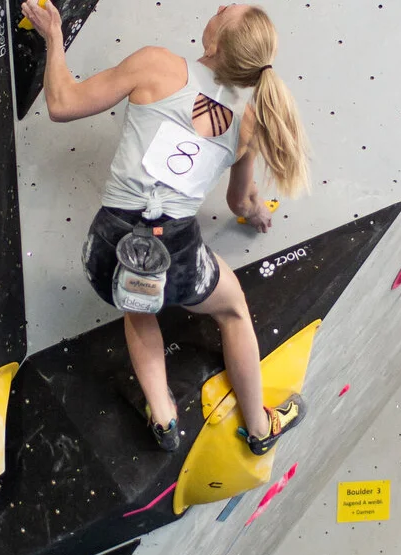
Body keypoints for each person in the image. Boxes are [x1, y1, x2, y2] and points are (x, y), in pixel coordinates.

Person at [22, 1, 310, 455]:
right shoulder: (248, 122)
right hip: (176, 257)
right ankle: (260, 428)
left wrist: (54, 38)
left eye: (225, 12)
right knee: (232, 309)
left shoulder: (155, 65)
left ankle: (164, 415)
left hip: (106, 252)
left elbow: (61, 103)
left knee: (138, 295)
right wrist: (254, 214)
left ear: (213, 44)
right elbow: (240, 200)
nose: (220, 6)